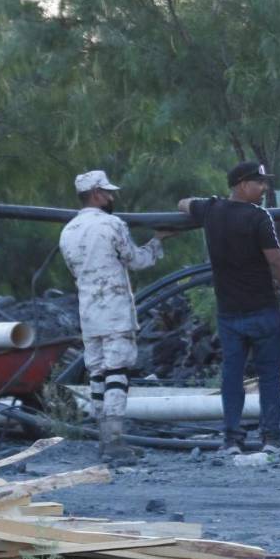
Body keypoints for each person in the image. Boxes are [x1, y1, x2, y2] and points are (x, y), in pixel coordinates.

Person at [180, 162, 280, 456]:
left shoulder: (211, 210)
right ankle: (271, 437)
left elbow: (184, 203)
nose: (264, 189)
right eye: (259, 183)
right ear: (241, 184)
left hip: (229, 313)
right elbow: (276, 262)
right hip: (262, 309)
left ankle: (231, 439)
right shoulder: (258, 217)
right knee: (269, 376)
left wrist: (195, 204)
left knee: (232, 376)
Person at [60, 170, 166, 463]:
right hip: (115, 309)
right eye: (107, 192)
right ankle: (115, 440)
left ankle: (102, 438)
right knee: (118, 370)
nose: (111, 197)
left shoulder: (68, 231)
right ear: (96, 194)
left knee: (96, 371)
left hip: (88, 311)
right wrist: (157, 241)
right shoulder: (111, 224)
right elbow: (136, 260)